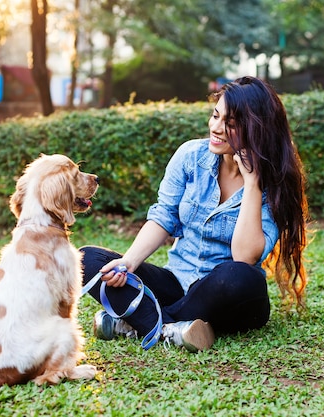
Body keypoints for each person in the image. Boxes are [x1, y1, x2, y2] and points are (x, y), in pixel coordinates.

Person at [80, 76, 309, 353]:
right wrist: (128, 263)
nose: (216, 128)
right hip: (179, 281)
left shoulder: (275, 182)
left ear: (258, 129)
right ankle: (173, 328)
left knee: (238, 276)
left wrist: (252, 183)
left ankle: (135, 322)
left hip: (230, 295)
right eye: (215, 115)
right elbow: (163, 217)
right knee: (86, 260)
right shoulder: (190, 156)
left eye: (231, 123)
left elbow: (244, 257)